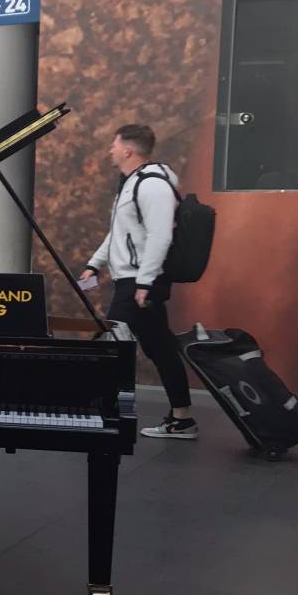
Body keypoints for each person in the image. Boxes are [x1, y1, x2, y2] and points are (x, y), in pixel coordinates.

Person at [80, 123, 196, 440]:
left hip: (140, 282)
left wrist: (144, 282)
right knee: (160, 349)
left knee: (110, 342)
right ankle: (182, 419)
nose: (111, 150)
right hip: (135, 280)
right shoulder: (131, 184)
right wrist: (96, 263)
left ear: (128, 150)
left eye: (114, 145)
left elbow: (161, 235)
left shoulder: (152, 185)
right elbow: (120, 232)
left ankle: (98, 410)